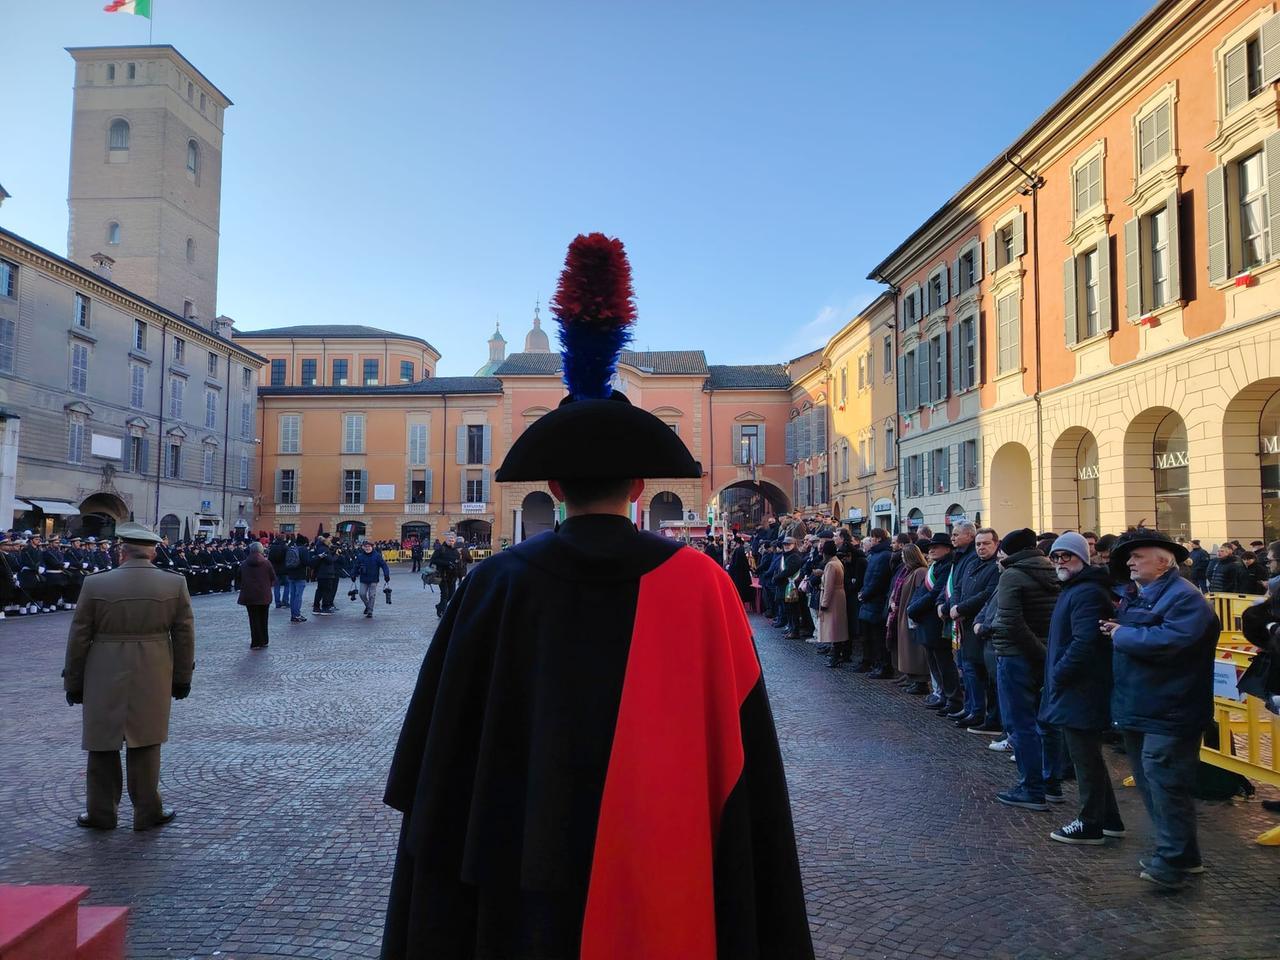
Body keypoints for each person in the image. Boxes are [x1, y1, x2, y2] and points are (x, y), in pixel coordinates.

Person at [381, 233, 812, 958]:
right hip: (664, 860)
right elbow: (743, 751)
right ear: (641, 489)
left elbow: (438, 754)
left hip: (515, 865)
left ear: (551, 489)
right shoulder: (701, 582)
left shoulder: (496, 581)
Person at [1101, 528, 1217, 890]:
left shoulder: (1185, 598)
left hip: (1171, 708)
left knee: (1165, 783)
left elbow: (1172, 641)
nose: (1130, 562)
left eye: (1139, 556)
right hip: (1143, 705)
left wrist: (1122, 634)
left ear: (1164, 562)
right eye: (1129, 557)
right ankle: (1183, 854)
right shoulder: (1144, 595)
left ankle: (1172, 861)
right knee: (1155, 783)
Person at [62, 522, 194, 831]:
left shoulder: (95, 584)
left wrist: (74, 682)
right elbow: (185, 637)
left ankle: (101, 811)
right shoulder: (173, 584)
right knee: (147, 742)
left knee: (102, 742)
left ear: (122, 551)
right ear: (152, 551)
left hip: (103, 669)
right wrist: (182, 678)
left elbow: (79, 637)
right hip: (154, 667)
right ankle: (148, 810)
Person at [1040, 532, 1124, 845]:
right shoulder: (1076, 588)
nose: (1061, 562)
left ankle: (1090, 822)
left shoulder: (1086, 592)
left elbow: (1084, 642)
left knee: (1085, 759)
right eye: (1056, 557)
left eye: (1067, 556)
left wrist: (1059, 675)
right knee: (1088, 757)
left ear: (1082, 559)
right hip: (1075, 686)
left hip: (1080, 688)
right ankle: (1110, 819)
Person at [991, 527, 1062, 811]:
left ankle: (1031, 788)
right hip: (1046, 653)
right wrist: (1045, 654)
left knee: (1021, 724)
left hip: (1016, 655)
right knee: (1046, 722)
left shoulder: (1012, 575)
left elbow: (1010, 622)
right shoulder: (1050, 571)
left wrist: (1036, 652)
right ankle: (1051, 783)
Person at [952, 526, 1003, 732]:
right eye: (978, 544)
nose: (981, 547)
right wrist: (954, 606)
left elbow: (987, 595)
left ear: (996, 544)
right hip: (964, 623)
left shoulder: (996, 567)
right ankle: (972, 708)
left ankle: (983, 713)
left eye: (985, 543)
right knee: (968, 669)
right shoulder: (972, 563)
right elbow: (958, 588)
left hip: (979, 625)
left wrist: (961, 608)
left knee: (982, 674)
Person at [908, 533, 962, 711]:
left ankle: (953, 699)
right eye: (930, 546)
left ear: (947, 549)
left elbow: (934, 594)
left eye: (936, 546)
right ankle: (944, 696)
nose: (931, 549)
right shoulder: (936, 565)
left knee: (944, 662)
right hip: (926, 621)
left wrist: (913, 609)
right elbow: (922, 590)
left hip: (935, 622)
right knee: (934, 662)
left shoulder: (947, 566)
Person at [888, 542, 929, 692]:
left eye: (905, 556)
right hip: (905, 614)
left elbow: (920, 594)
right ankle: (912, 677)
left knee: (915, 650)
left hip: (912, 616)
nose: (903, 559)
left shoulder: (920, 572)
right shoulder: (909, 571)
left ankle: (920, 681)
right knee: (908, 648)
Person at [856, 528, 894, 673]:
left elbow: (878, 579)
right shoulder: (875, 555)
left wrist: (865, 594)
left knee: (878, 637)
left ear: (878, 539)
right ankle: (873, 663)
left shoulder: (883, 556)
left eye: (871, 538)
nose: (870, 540)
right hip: (869, 600)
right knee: (869, 636)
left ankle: (882, 666)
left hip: (875, 602)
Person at [238, 540, 275, 649]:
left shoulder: (244, 564)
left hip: (250, 595)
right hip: (264, 595)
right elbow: (273, 577)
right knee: (264, 617)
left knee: (253, 618)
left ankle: (255, 641)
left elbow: (239, 577)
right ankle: (264, 640)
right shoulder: (267, 563)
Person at [818, 539, 847, 667]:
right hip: (838, 596)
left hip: (833, 598)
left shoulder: (830, 565)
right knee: (837, 628)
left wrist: (824, 603)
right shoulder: (837, 562)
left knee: (833, 629)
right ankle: (837, 654)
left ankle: (835, 656)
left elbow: (829, 586)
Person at [352, 540, 391, 619]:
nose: (367, 548)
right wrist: (353, 574)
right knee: (362, 594)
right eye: (366, 547)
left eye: (369, 547)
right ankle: (368, 606)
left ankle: (370, 611)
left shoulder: (377, 556)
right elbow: (355, 566)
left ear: (372, 547)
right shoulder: (360, 556)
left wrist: (386, 574)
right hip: (363, 578)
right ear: (363, 547)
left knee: (371, 595)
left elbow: (384, 565)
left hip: (373, 579)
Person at [428, 533, 463, 617]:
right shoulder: (441, 549)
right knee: (445, 594)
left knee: (451, 594)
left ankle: (439, 606)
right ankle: (443, 611)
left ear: (454, 541)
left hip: (452, 576)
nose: (451, 542)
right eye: (449, 540)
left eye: (452, 540)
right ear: (446, 540)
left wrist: (459, 575)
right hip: (442, 575)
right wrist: (447, 563)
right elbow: (433, 560)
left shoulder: (456, 551)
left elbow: (459, 563)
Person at [284, 534, 311, 623]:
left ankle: (293, 614)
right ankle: (297, 614)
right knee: (298, 596)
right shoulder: (304, 550)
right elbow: (307, 562)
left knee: (292, 595)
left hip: (291, 574)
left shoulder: (291, 548)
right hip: (300, 575)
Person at [310, 535, 341, 615]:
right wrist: (337, 555)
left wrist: (332, 552)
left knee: (319, 590)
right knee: (327, 590)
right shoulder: (324, 549)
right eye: (329, 539)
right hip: (326, 573)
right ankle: (325, 608)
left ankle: (316, 607)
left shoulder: (319, 548)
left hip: (320, 572)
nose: (331, 541)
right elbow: (330, 560)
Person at [728, 533, 754, 606]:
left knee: (739, 591)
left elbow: (734, 564)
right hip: (744, 574)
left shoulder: (737, 551)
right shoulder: (743, 550)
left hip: (737, 575)